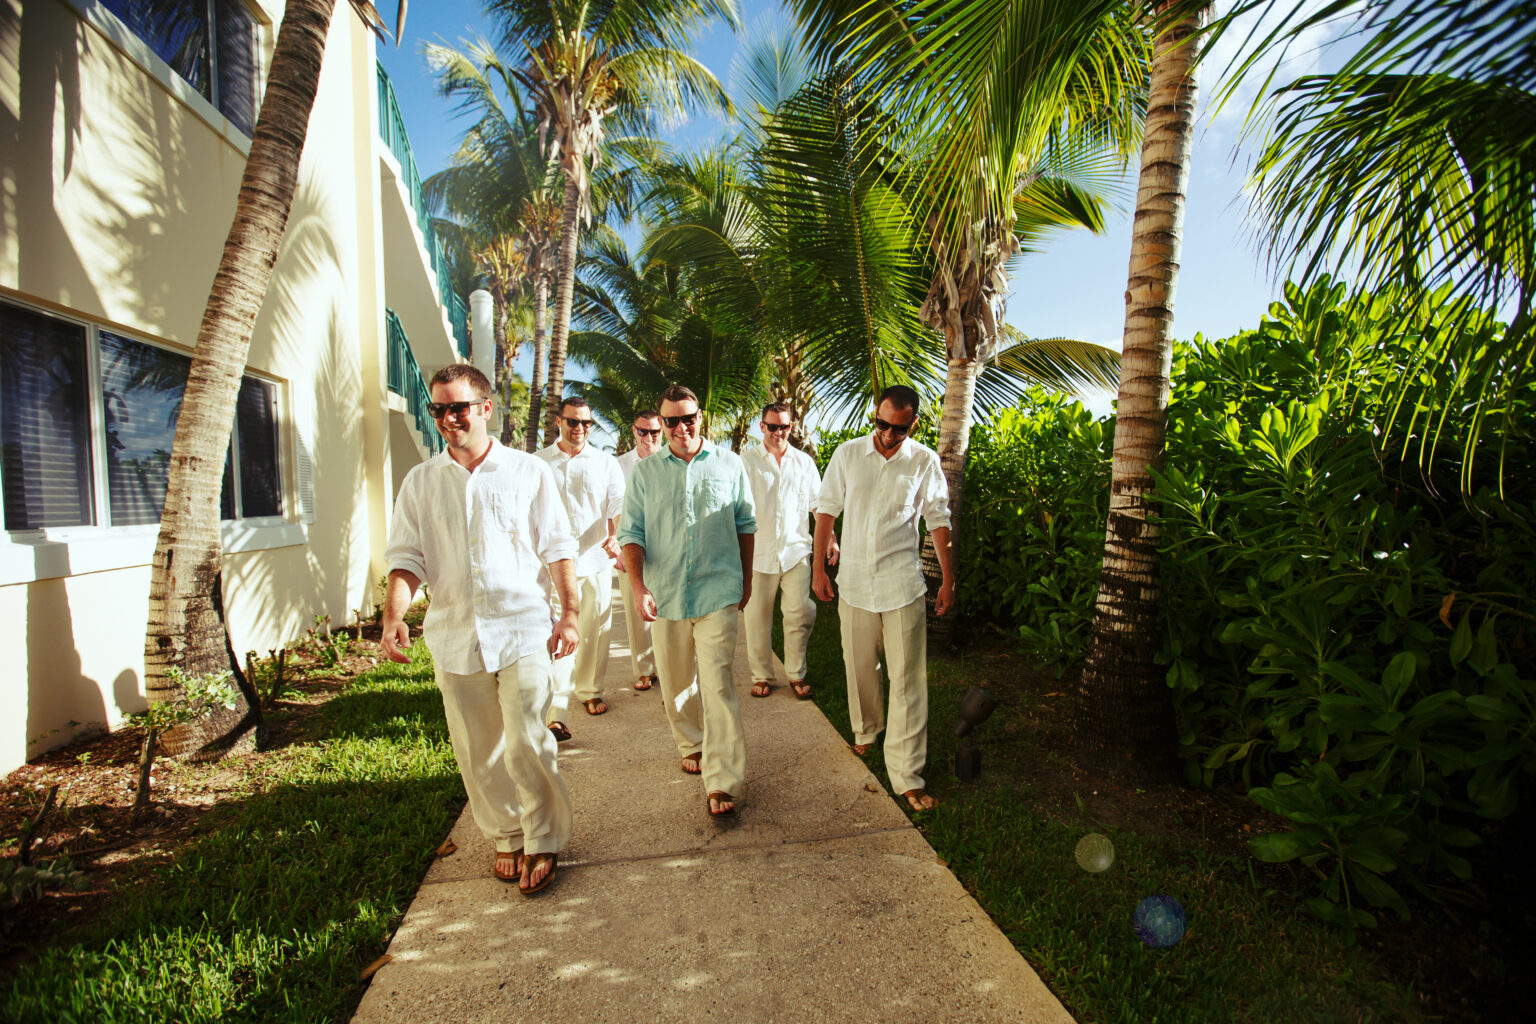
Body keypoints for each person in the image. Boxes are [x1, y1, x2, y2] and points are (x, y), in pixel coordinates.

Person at [382, 364, 578, 895]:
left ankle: (543, 836)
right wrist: (394, 615)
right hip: (454, 634)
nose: (448, 419)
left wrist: (570, 613)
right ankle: (506, 833)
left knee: (528, 740)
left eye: (459, 408)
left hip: (522, 629)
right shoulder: (420, 482)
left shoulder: (528, 471)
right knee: (477, 747)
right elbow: (406, 557)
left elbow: (557, 546)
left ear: (485, 408)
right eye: (438, 409)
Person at [812, 384, 954, 813]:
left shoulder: (924, 461)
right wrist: (818, 569)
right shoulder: (848, 454)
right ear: (875, 416)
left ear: (914, 424)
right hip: (855, 582)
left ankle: (907, 773)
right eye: (882, 424)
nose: (889, 434)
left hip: (902, 584)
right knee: (859, 667)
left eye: (900, 428)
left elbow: (938, 519)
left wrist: (949, 579)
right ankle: (867, 730)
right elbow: (826, 511)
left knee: (908, 679)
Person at [619, 386, 756, 818]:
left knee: (718, 684)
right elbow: (631, 533)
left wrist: (747, 579)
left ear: (702, 417)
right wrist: (638, 587)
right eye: (671, 421)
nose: (681, 427)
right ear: (661, 424)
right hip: (667, 595)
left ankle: (723, 780)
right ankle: (691, 743)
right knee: (677, 684)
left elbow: (745, 523)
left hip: (719, 591)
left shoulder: (730, 464)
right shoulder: (645, 473)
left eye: (688, 418)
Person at [535, 396, 625, 740]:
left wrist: (616, 535)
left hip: (595, 561)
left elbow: (618, 504)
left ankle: (589, 691)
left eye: (586, 423)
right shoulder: (538, 463)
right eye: (573, 421)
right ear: (559, 421)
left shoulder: (605, 463)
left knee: (595, 633)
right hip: (552, 566)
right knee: (558, 637)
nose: (580, 428)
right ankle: (556, 714)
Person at [741, 401, 820, 700]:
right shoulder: (746, 462)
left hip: (796, 552)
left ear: (791, 427)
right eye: (772, 426)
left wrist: (831, 540)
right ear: (762, 426)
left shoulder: (804, 463)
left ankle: (796, 674)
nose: (778, 432)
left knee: (798, 612)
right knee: (757, 619)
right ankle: (761, 675)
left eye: (784, 426)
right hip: (758, 553)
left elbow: (818, 505)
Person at [614, 410, 664, 693]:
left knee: (668, 612)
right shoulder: (619, 466)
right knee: (637, 614)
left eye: (654, 432)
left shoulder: (672, 461)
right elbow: (610, 507)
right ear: (633, 431)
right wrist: (617, 547)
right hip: (631, 548)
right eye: (643, 431)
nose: (648, 437)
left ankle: (669, 666)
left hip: (666, 547)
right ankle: (645, 670)